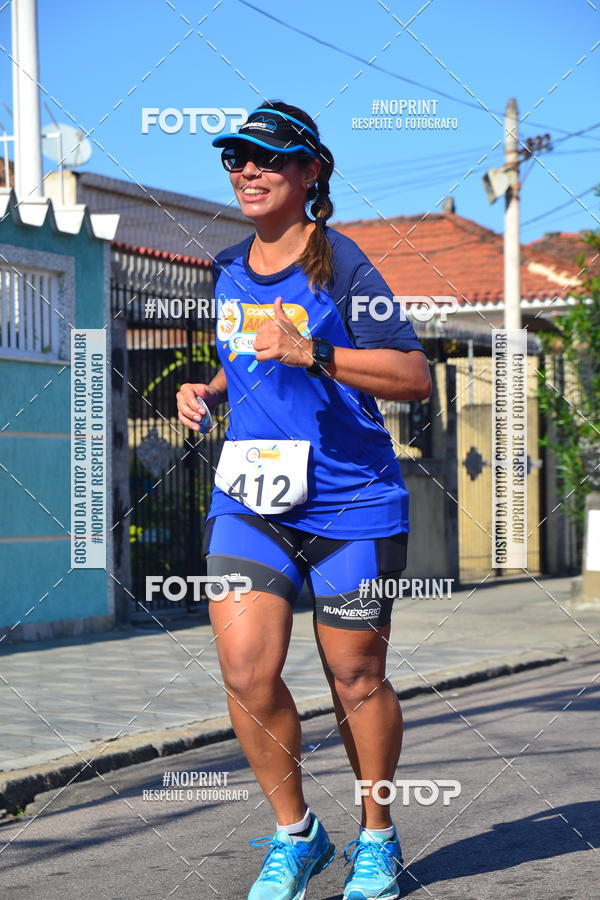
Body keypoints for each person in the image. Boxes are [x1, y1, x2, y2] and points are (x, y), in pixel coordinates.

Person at [176, 101, 431, 900]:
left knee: (355, 676)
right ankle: (297, 835)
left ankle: (378, 839)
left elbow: (414, 376)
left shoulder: (343, 265)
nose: (246, 170)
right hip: (250, 498)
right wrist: (208, 388)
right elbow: (249, 360)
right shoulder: (224, 268)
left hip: (351, 501)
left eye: (266, 157)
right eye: (235, 158)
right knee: (247, 672)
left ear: (309, 170)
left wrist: (315, 350)